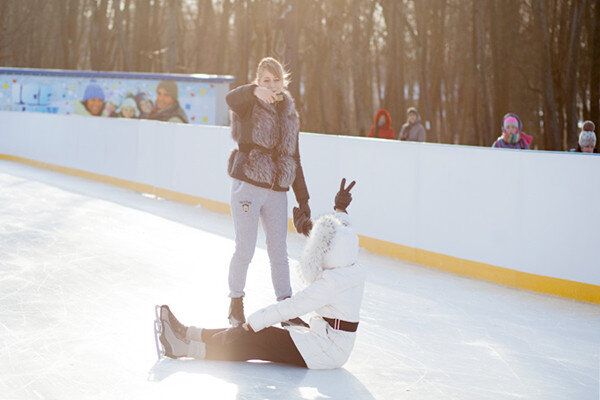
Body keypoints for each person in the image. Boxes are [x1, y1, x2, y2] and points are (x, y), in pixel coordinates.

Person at [154, 178, 363, 370]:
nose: (316, 253)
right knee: (253, 334)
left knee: (256, 339)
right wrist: (340, 208)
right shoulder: (350, 266)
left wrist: (249, 325)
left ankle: (183, 348)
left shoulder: (330, 284)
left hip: (326, 351)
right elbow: (341, 230)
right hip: (327, 340)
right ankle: (187, 332)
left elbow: (290, 307)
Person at [225, 57, 311, 327]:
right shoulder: (248, 103)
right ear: (258, 81)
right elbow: (230, 98)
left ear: (283, 81)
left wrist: (303, 200)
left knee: (279, 252)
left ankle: (285, 308)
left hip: (277, 192)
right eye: (266, 80)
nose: (271, 85)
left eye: (276, 80)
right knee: (245, 249)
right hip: (249, 185)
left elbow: (294, 157)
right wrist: (253, 91)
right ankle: (235, 303)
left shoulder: (289, 113)